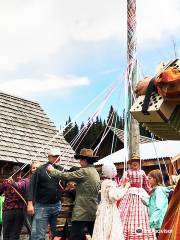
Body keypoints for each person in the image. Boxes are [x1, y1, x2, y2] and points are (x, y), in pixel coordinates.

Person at [47, 148, 101, 240]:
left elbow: (65, 176)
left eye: (80, 159)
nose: (79, 162)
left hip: (82, 210)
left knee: (75, 236)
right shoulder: (95, 172)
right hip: (92, 209)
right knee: (94, 235)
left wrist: (52, 170)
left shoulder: (84, 171)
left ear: (84, 160)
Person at [27, 147, 63, 240]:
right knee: (39, 235)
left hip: (57, 205)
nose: (57, 158)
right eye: (55, 156)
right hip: (42, 206)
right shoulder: (40, 170)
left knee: (57, 235)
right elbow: (32, 186)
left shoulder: (62, 170)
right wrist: (30, 204)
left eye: (58, 156)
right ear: (49, 157)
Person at [118, 154, 156, 240]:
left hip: (141, 193)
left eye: (137, 162)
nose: (135, 163)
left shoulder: (142, 172)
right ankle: (127, 232)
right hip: (130, 193)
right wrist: (123, 188)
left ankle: (142, 233)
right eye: (133, 162)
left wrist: (152, 191)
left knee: (143, 212)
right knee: (128, 211)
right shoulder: (127, 172)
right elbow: (121, 184)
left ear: (139, 163)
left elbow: (146, 185)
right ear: (130, 163)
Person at [92, 162, 129, 240]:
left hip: (103, 208)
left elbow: (113, 192)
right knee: (108, 228)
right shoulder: (111, 183)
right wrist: (126, 188)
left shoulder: (104, 182)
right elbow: (114, 196)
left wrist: (122, 185)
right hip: (109, 210)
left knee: (103, 228)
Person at [142, 170, 172, 239]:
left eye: (150, 178)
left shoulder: (158, 191)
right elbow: (152, 203)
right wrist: (145, 200)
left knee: (160, 236)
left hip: (159, 220)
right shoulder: (156, 190)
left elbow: (159, 206)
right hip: (158, 220)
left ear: (155, 179)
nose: (148, 181)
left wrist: (153, 219)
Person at [0, 166, 26, 240]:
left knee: (6, 234)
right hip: (19, 211)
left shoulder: (7, 182)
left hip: (8, 211)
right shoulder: (24, 182)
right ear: (20, 173)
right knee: (15, 235)